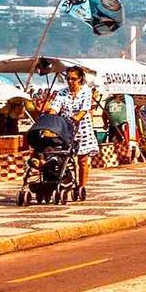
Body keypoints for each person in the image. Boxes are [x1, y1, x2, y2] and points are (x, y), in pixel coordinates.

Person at [48, 65, 99, 198]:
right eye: (68, 79)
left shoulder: (86, 91)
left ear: (80, 79)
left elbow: (84, 109)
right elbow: (55, 107)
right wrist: (50, 120)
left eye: (73, 79)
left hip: (82, 129)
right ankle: (64, 180)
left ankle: (81, 186)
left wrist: (75, 118)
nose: (70, 81)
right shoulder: (62, 93)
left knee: (82, 160)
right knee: (62, 158)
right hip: (65, 130)